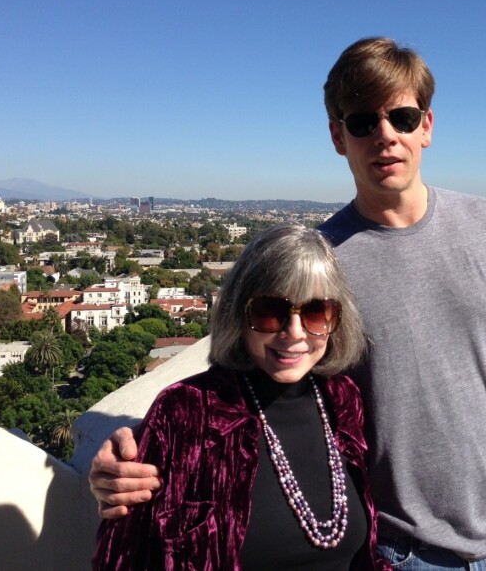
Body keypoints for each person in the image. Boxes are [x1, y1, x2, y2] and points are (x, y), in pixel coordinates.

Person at [90, 38, 486, 570]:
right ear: (338, 136)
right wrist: (137, 451)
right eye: (362, 123)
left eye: (402, 117)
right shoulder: (318, 266)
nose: (385, 137)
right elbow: (252, 380)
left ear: (427, 125)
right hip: (394, 553)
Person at [92, 223, 389, 570]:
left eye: (315, 312)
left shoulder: (342, 399)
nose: (294, 334)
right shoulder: (187, 412)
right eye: (270, 311)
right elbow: (125, 556)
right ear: (238, 313)